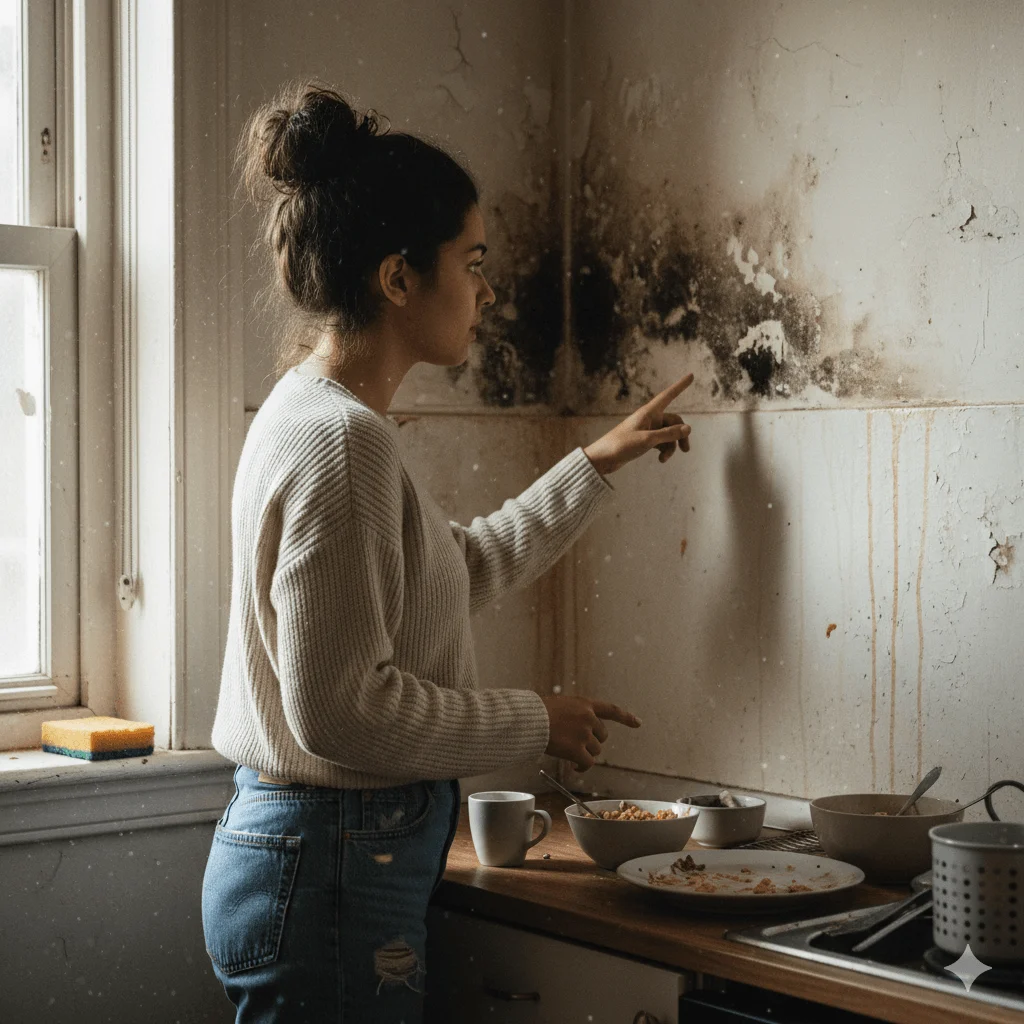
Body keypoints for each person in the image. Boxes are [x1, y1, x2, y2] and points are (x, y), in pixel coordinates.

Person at [201, 81, 694, 1024]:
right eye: (471, 263)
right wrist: (532, 721)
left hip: (319, 859)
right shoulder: (342, 441)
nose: (487, 291)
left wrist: (596, 462)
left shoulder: (314, 414)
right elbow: (342, 712)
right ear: (398, 279)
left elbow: (455, 572)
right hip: (332, 864)